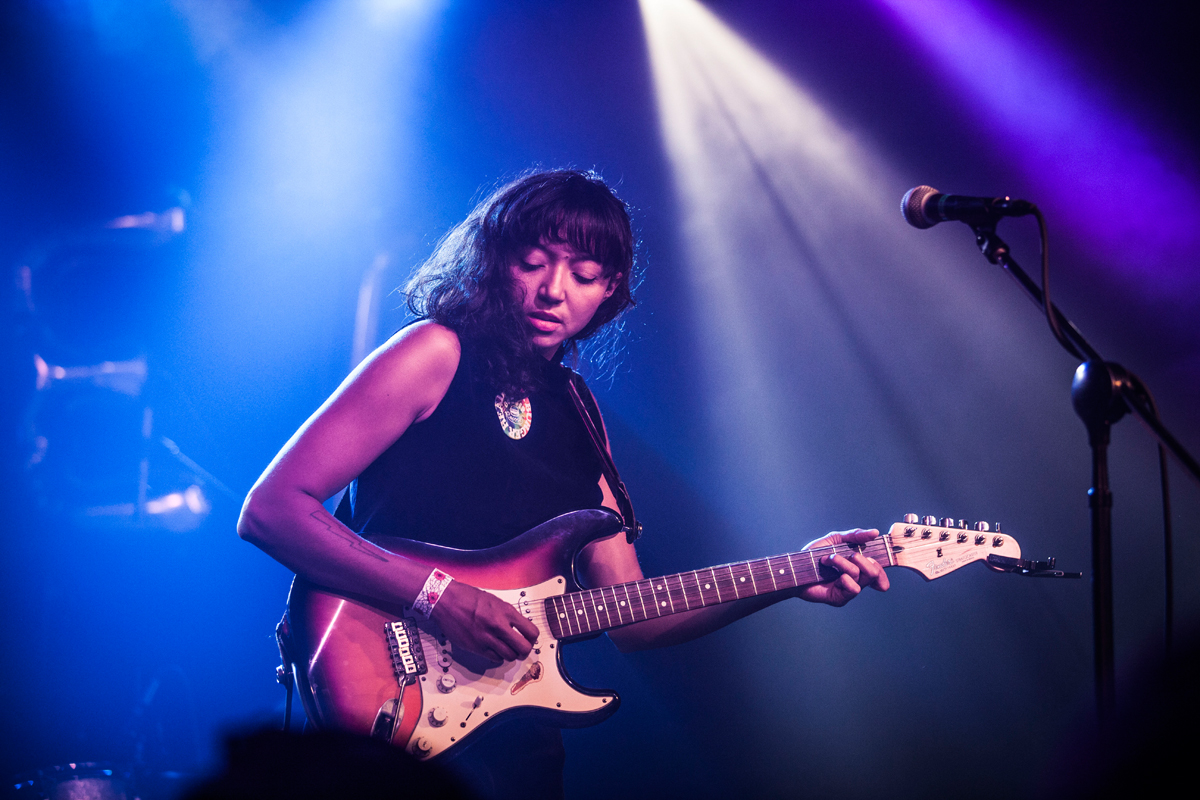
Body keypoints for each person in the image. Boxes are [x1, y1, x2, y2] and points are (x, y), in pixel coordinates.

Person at [237, 169, 889, 799]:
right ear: (495, 259)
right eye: (534, 263)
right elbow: (270, 510)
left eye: (583, 275)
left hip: (517, 738)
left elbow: (634, 614)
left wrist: (793, 576)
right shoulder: (435, 353)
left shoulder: (578, 409)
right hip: (390, 695)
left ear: (609, 291)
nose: (554, 291)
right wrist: (436, 596)